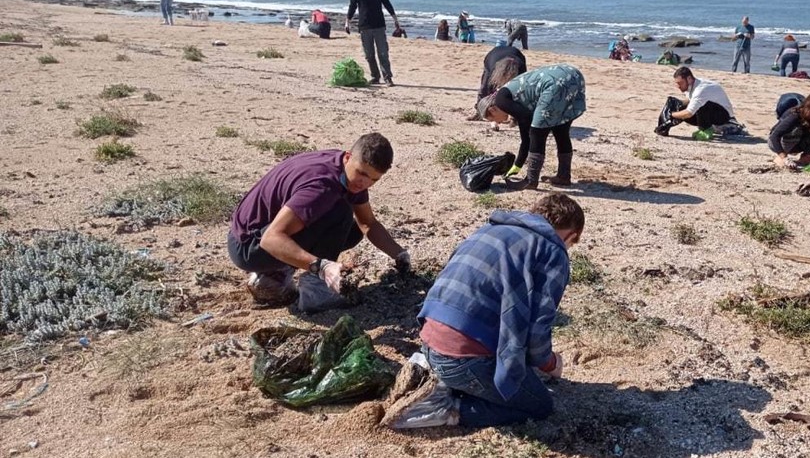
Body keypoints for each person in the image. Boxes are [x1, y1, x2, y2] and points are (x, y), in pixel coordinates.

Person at [385, 193, 583, 429]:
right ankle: (443, 407)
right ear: (571, 235)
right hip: (461, 356)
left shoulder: (490, 229)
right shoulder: (553, 251)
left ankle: (438, 375)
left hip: (429, 339)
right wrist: (551, 364)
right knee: (539, 405)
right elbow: (537, 331)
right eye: (571, 243)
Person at [226, 133, 411, 306]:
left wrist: (399, 254)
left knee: (352, 231)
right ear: (348, 157)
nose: (365, 183)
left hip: (260, 234)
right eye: (362, 173)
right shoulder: (321, 186)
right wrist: (322, 267)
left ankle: (274, 275)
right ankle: (316, 293)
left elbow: (367, 223)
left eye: (373, 180)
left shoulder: (343, 170)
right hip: (249, 246)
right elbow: (271, 238)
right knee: (341, 212)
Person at [476, 64, 587, 190]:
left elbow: (527, 130)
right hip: (573, 75)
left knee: (537, 133)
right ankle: (563, 176)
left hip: (554, 84)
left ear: (492, 109)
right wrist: (518, 165)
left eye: (492, 119)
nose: (498, 123)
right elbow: (526, 125)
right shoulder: (508, 95)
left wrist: (518, 164)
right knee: (560, 130)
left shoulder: (501, 100)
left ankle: (531, 180)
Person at [346, 0, 400, 86]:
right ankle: (375, 76)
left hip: (379, 25)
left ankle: (387, 78)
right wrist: (347, 22)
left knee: (383, 53)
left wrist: (395, 19)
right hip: (364, 26)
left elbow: (387, 3)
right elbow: (352, 5)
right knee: (369, 55)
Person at [654, 66, 741, 140]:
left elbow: (689, 113)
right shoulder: (690, 86)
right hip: (712, 112)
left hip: (724, 116)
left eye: (680, 83)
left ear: (689, 79)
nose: (678, 86)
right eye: (677, 84)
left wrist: (671, 114)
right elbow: (688, 102)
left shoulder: (700, 90)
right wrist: (672, 107)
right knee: (679, 107)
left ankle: (706, 130)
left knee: (699, 106)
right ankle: (707, 127)